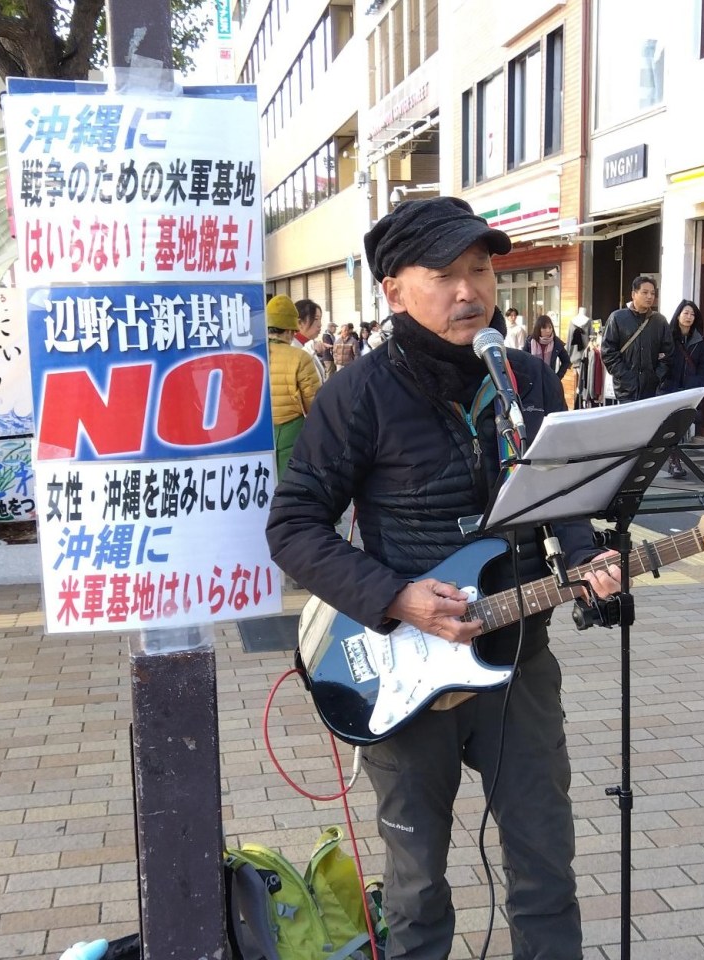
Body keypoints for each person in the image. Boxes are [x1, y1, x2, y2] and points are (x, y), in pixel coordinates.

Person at [266, 195, 624, 960]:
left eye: (482, 269)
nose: (471, 290)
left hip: (520, 663)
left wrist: (583, 550)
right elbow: (292, 527)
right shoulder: (355, 394)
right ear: (393, 289)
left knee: (545, 869)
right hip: (404, 671)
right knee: (417, 887)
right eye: (445, 274)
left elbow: (554, 492)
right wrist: (394, 596)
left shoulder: (525, 375)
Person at [266, 294, 321, 481]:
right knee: (288, 485)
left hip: (256, 431)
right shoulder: (299, 357)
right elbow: (314, 403)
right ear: (290, 330)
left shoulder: (252, 355)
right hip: (291, 433)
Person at [657, 299, 704, 479]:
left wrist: (696, 384)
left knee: (679, 428)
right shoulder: (667, 337)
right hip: (668, 389)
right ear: (678, 315)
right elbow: (659, 361)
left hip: (689, 391)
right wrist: (663, 379)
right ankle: (674, 461)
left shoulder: (700, 341)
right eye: (686, 313)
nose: (689, 317)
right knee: (670, 427)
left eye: (692, 314)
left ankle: (673, 460)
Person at [600, 275, 673, 403]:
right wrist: (625, 376)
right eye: (645, 292)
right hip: (626, 390)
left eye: (652, 293)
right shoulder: (617, 318)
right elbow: (608, 352)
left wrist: (657, 376)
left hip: (652, 390)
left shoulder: (660, 321)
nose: (650, 297)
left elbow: (668, 353)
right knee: (627, 422)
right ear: (634, 294)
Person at [294, 298, 328, 384]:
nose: (320, 325)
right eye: (316, 319)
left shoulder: (310, 346)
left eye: (320, 319)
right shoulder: (293, 348)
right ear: (300, 323)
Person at [527, 314, 570, 380]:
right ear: (538, 329)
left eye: (550, 328)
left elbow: (566, 361)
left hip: (549, 381)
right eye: (544, 328)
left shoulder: (556, 342)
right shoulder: (530, 342)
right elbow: (523, 361)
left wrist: (557, 377)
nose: (548, 330)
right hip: (532, 380)